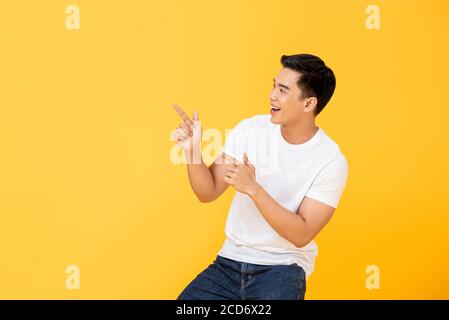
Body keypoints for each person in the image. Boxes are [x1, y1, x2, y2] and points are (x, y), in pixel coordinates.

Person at [172, 54, 348, 300]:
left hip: (283, 268)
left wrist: (253, 189)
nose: (272, 95)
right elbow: (207, 191)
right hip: (229, 263)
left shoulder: (330, 160)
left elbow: (302, 233)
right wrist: (192, 151)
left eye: (283, 90)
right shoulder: (251, 130)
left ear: (308, 104)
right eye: (274, 85)